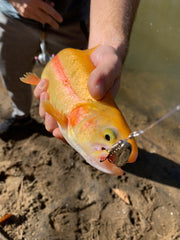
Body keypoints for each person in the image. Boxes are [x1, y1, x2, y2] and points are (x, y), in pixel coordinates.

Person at [0, 0, 139, 138]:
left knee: (81, 86)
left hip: (74, 21)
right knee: (12, 74)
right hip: (11, 16)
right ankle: (21, 117)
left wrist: (106, 43)